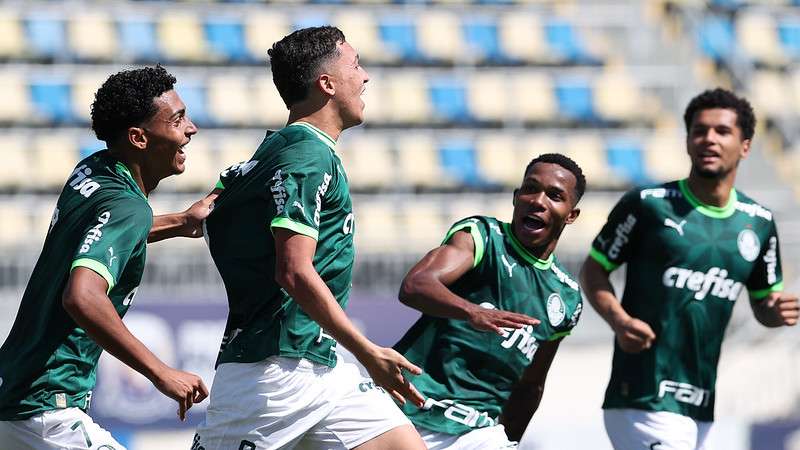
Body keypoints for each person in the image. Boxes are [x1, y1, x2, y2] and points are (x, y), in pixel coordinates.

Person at [190, 26, 427, 450]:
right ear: (328, 83)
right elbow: (293, 271)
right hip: (271, 374)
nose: (366, 76)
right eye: (355, 65)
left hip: (322, 366)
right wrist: (368, 351)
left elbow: (204, 216)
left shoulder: (274, 151)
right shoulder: (306, 154)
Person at [0, 65, 209, 449]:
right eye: (178, 120)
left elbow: (101, 232)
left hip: (14, 390)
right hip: (47, 407)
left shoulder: (93, 169)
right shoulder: (129, 207)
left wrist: (180, 221)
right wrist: (161, 372)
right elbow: (82, 296)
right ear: (138, 138)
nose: (191, 129)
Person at [580, 88, 799, 450]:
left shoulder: (758, 223)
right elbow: (594, 269)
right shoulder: (648, 206)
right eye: (700, 130)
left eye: (722, 131)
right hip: (642, 397)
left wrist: (774, 311)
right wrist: (618, 320)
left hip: (699, 405)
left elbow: (765, 304)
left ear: (745, 145)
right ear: (687, 141)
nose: (708, 139)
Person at [393, 153, 586, 449]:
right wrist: (472, 312)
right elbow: (415, 285)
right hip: (408, 409)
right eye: (530, 188)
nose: (537, 200)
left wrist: (510, 442)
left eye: (555, 195)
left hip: (476, 432)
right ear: (516, 197)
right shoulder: (483, 237)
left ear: (571, 214)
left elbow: (530, 386)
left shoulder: (568, 298)